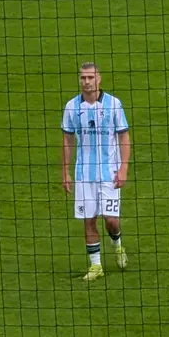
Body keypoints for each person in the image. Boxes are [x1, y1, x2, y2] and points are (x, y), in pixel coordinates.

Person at [60, 62, 131, 280]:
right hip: (84, 175)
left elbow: (124, 137)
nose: (87, 82)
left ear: (99, 79)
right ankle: (96, 266)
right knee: (88, 220)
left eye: (91, 77)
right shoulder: (72, 107)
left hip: (110, 173)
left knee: (111, 219)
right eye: (83, 78)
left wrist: (123, 168)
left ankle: (117, 243)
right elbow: (67, 139)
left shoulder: (114, 104)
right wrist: (65, 172)